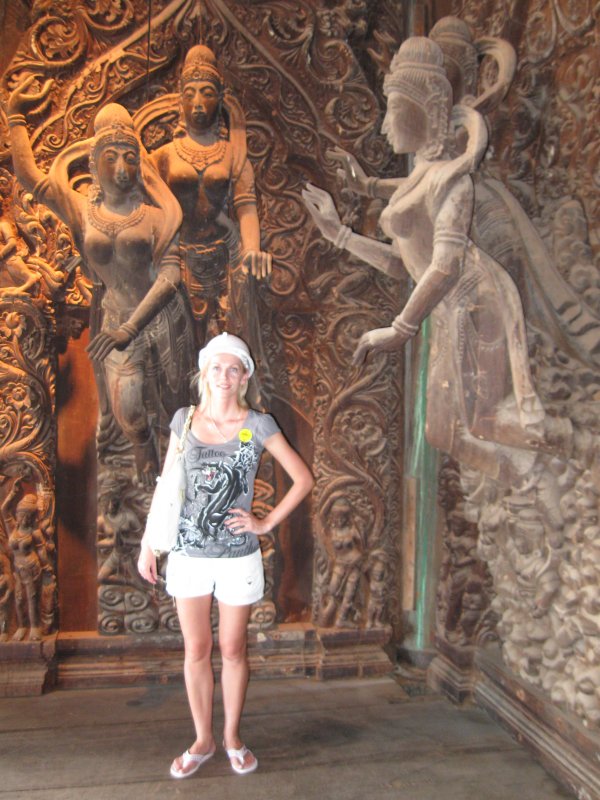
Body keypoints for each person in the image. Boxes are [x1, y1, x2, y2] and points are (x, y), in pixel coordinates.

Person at [302, 36, 558, 486]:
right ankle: (531, 480)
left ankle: (576, 446)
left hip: (476, 305)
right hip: (447, 311)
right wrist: (339, 233)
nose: (385, 127)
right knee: (442, 433)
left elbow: (445, 266)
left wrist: (399, 329)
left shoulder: (454, 181)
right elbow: (401, 264)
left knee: (480, 422)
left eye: (393, 111)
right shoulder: (423, 172)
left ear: (425, 109)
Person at [137, 332, 313, 778]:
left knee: (233, 648)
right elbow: (167, 485)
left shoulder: (259, 424)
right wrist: (148, 544)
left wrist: (265, 522)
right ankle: (203, 739)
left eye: (233, 368)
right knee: (196, 648)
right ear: (205, 373)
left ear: (245, 376)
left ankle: (232, 736)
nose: (224, 376)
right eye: (217, 367)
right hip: (189, 553)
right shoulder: (185, 420)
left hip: (238, 556)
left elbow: (303, 479)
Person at [6, 81, 195, 487]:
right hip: (114, 318)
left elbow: (170, 276)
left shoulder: (157, 216)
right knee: (129, 411)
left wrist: (132, 327)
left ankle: (179, 465)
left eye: (130, 158)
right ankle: (141, 444)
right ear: (93, 164)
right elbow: (29, 177)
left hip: (160, 320)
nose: (122, 169)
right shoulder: (81, 209)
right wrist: (16, 117)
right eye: (111, 159)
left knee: (177, 406)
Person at [148, 45, 272, 353]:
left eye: (207, 93)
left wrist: (252, 249)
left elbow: (246, 207)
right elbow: (147, 210)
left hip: (226, 257)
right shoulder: (163, 156)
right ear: (180, 101)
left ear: (220, 100)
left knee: (229, 341)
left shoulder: (234, 155)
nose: (198, 103)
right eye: (189, 94)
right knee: (180, 346)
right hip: (178, 257)